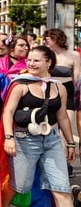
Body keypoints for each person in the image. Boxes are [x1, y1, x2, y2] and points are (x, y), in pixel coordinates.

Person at [1, 45, 75, 207]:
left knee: (61, 187)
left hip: (52, 140)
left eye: (36, 60)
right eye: (29, 60)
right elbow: (8, 112)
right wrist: (9, 137)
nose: (31, 64)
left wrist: (70, 142)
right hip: (23, 140)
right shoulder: (20, 84)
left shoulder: (59, 87)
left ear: (48, 63)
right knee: (20, 185)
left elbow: (63, 116)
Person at [43, 28, 81, 178]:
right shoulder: (46, 55)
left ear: (57, 39)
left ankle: (66, 162)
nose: (46, 40)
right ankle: (52, 162)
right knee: (50, 129)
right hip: (50, 94)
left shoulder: (73, 55)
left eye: (48, 38)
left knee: (64, 131)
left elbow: (77, 76)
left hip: (69, 94)